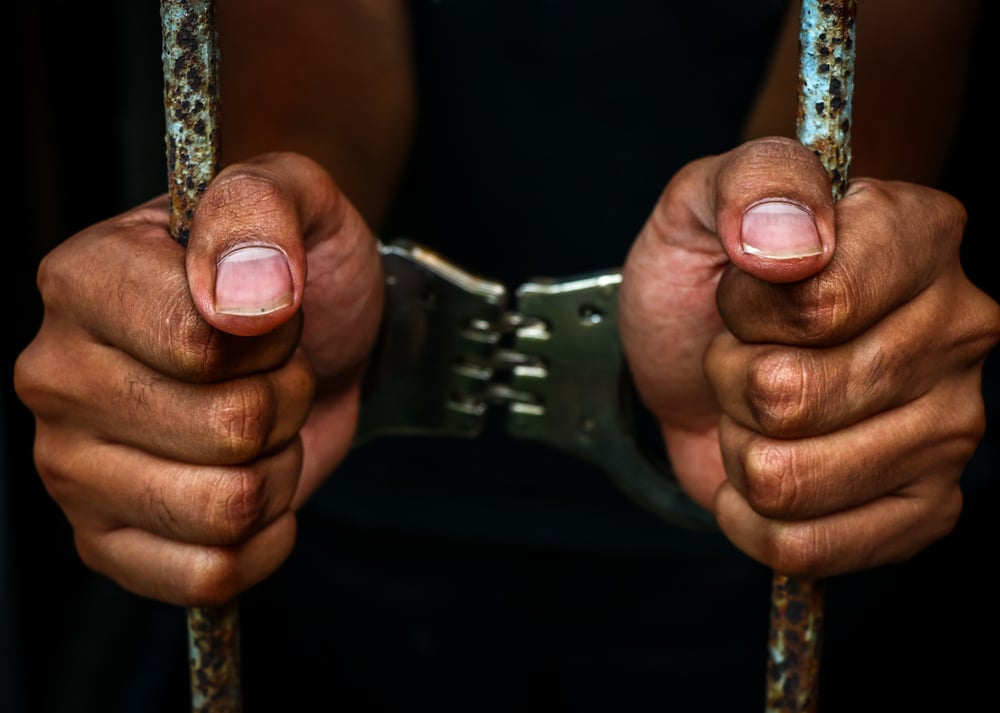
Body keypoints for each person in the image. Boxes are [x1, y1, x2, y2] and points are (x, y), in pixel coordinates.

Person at [11, 1, 999, 711]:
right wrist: (268, 252)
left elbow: (889, 23)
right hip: (310, 484)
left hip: (799, 499)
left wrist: (825, 293)